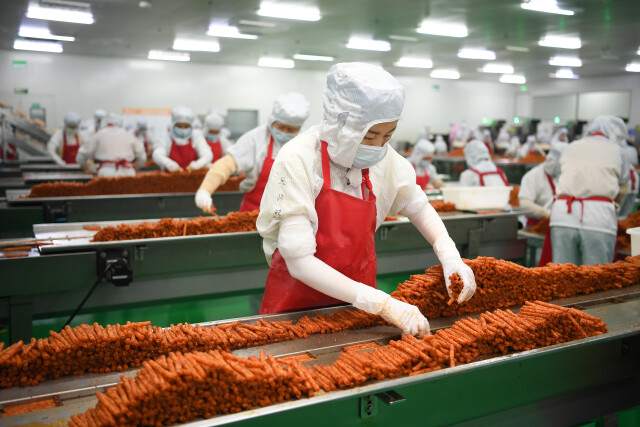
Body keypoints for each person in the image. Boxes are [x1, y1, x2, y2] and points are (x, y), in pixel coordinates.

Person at [255, 62, 476, 336]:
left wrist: (450, 255)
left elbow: (418, 206)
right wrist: (381, 303)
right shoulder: (299, 158)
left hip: (358, 309)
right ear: (342, 125)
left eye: (387, 135)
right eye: (369, 136)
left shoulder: (384, 159)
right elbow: (299, 260)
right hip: (296, 307)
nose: (378, 146)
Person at [195, 93, 311, 213]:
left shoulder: (307, 141)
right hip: (254, 213)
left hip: (292, 216)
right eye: (280, 126)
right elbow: (226, 164)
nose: (284, 132)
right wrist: (205, 190)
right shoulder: (255, 138)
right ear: (272, 120)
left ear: (299, 127)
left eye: (291, 129)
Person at [547, 115, 631, 265]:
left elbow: (558, 175)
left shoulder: (570, 147)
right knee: (595, 275)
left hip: (563, 217)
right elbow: (624, 187)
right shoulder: (618, 151)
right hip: (599, 220)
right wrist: (614, 205)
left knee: (562, 273)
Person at [76, 113, 146, 177]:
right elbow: (142, 157)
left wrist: (89, 169)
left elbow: (81, 156)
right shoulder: (129, 135)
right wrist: (135, 167)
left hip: (106, 172)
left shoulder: (98, 135)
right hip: (127, 171)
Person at [519, 142, 567, 226]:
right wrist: (547, 213)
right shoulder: (533, 176)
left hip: (558, 223)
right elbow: (525, 204)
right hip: (535, 225)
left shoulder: (563, 176)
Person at [152, 106, 212, 172]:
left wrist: (197, 164)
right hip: (170, 176)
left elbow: (207, 154)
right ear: (173, 125)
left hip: (193, 176)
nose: (183, 129)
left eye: (186, 126)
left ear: (191, 126)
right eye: (179, 126)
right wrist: (169, 164)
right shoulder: (165, 138)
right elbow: (158, 155)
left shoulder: (196, 137)